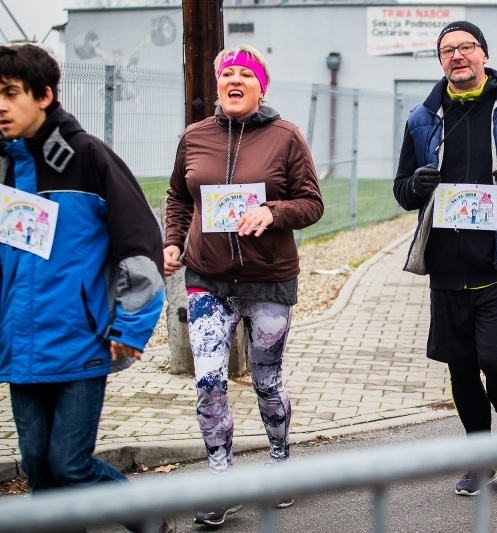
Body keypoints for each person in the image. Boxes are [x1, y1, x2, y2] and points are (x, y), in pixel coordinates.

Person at [0, 44, 172, 532]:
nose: (1, 106)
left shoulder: (88, 157)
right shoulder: (3, 168)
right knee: (39, 471)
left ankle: (149, 521)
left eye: (11, 94)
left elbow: (141, 246)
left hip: (82, 340)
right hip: (20, 348)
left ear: (45, 95)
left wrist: (132, 325)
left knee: (70, 464)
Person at [393, 21, 497, 497]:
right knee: (461, 366)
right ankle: (477, 454)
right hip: (447, 266)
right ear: (441, 61)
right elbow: (402, 191)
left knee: (495, 356)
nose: (457, 56)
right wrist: (418, 185)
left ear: (483, 54)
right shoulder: (422, 119)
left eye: (466, 47)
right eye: (447, 50)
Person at [163, 44, 323, 525]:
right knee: (209, 382)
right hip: (207, 279)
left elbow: (312, 203)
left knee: (266, 381)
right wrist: (173, 242)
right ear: (217, 85)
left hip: (267, 281)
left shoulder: (286, 137)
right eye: (226, 73)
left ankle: (278, 464)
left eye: (245, 75)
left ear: (260, 86)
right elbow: (177, 196)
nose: (234, 80)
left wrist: (272, 212)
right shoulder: (194, 137)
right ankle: (221, 479)